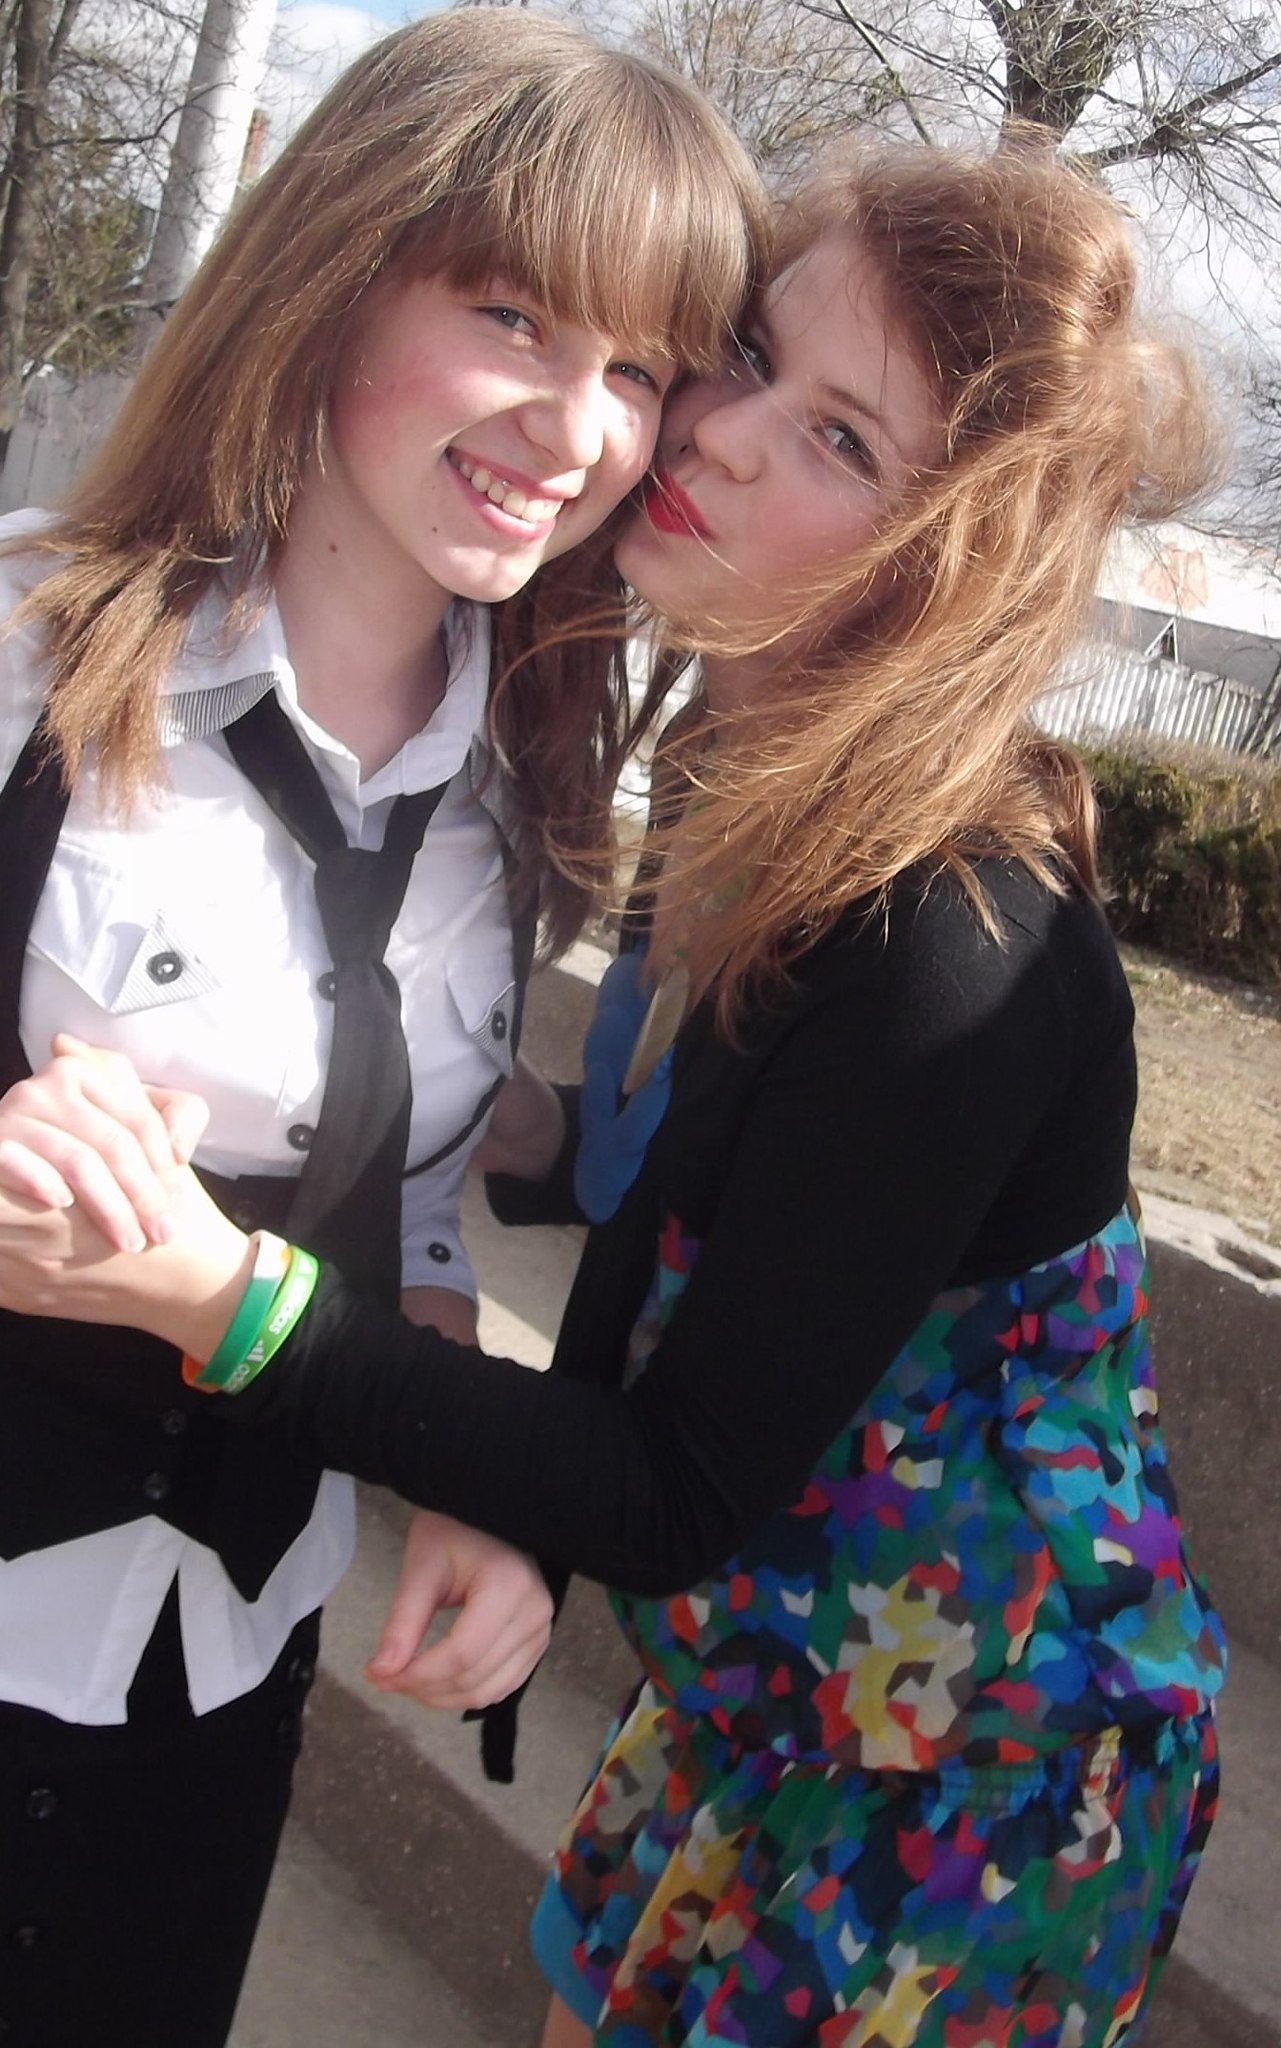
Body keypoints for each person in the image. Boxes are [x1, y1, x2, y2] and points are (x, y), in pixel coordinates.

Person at [0, 140, 1228, 2048]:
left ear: (944, 562)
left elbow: (679, 1482)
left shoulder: (948, 937)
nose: (713, 432)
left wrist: (224, 1298)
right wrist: (506, 1160)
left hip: (975, 1769)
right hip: (764, 1684)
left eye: (840, 442)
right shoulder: (750, 780)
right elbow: (682, 1210)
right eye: (748, 356)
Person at [0, 13, 765, 2044]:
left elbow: (406, 1222)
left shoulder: (517, 800)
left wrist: (472, 1472)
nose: (576, 425)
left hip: (219, 1680)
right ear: (338, 274)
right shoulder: (28, 654)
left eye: (637, 368)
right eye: (514, 316)